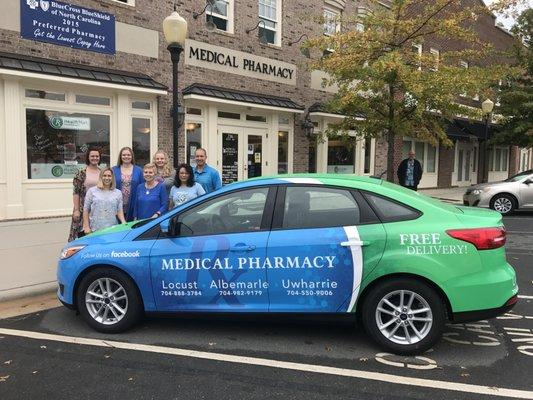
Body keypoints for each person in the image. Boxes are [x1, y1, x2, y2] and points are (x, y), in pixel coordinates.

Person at [68, 147, 101, 241]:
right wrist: (77, 209)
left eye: (97, 156)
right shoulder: (81, 173)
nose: (95, 158)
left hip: (97, 208)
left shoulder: (102, 172)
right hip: (83, 208)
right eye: (92, 156)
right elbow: (76, 192)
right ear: (88, 157)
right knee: (80, 234)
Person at [82, 168, 126, 235]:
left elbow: (119, 210)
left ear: (112, 178)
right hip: (95, 229)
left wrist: (123, 222)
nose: (107, 178)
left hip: (112, 229)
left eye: (109, 176)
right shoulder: (92, 191)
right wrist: (86, 227)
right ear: (101, 177)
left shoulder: (118, 193)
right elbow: (86, 210)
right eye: (104, 175)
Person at [112, 147, 144, 221]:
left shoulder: (139, 170)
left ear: (132, 156)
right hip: (117, 204)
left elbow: (142, 188)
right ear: (120, 156)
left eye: (128, 155)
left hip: (133, 204)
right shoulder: (114, 169)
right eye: (124, 155)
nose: (126, 157)